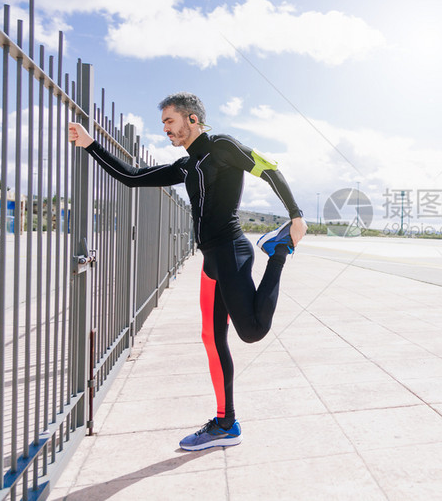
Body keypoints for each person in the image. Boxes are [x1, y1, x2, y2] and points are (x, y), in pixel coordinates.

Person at [68, 92, 307, 451]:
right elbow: (132, 177)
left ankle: (278, 251)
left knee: (253, 332)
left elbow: (268, 167)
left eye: (169, 121)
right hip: (210, 262)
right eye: (163, 122)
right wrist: (90, 144)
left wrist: (295, 215)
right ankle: (226, 423)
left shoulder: (222, 146)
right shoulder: (186, 165)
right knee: (211, 339)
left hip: (231, 251)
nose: (165, 128)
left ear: (191, 119)